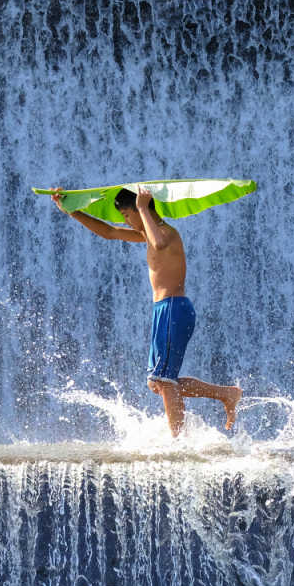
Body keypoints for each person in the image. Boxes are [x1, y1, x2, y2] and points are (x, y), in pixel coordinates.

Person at [50, 187, 241, 437]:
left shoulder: (166, 234)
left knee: (163, 381)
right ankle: (225, 393)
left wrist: (142, 207)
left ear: (144, 209)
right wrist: (71, 211)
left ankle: (178, 440)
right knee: (157, 382)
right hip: (164, 310)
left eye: (128, 215)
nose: (125, 221)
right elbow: (109, 232)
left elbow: (159, 243)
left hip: (174, 308)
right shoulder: (147, 234)